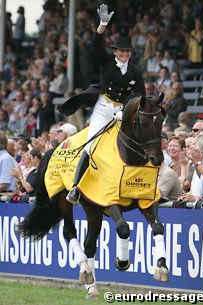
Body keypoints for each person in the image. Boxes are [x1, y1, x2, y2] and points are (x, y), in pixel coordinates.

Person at [66, 4, 146, 204]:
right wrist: (102, 25)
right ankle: (76, 188)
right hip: (104, 108)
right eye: (122, 51)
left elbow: (140, 95)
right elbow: (95, 44)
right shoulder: (107, 62)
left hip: (123, 110)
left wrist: (127, 110)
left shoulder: (136, 71)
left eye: (127, 51)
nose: (125, 54)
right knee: (92, 145)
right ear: (116, 51)